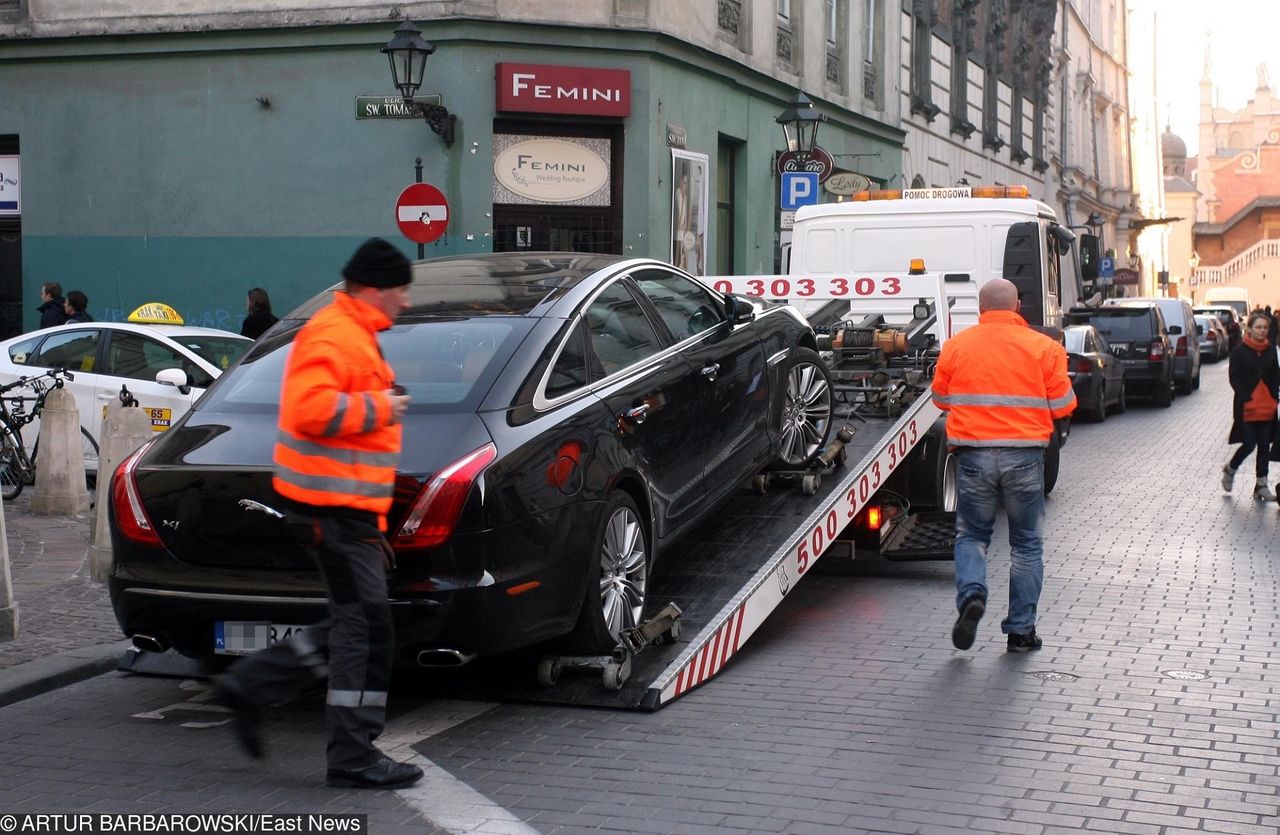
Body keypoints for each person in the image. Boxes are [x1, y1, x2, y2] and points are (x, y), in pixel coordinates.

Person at [214, 238, 420, 790]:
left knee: (362, 624)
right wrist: (385, 405)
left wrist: (372, 525)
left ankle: (254, 685)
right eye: (400, 291)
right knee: (365, 628)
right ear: (374, 289)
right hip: (331, 512)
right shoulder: (336, 333)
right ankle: (351, 755)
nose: (404, 302)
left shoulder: (354, 335)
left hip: (343, 513)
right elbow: (310, 410)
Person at [931, 278, 1076, 653]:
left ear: (981, 309)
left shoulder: (956, 346)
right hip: (1026, 458)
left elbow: (941, 398)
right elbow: (1063, 405)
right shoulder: (1045, 348)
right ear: (1016, 307)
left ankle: (972, 596)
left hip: (974, 455)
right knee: (1026, 546)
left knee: (972, 536)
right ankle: (1020, 631)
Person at [1222, 311, 1279, 501]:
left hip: (1267, 406)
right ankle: (1231, 469)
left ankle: (1261, 486)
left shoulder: (1271, 350)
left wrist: (1275, 397)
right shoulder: (1239, 351)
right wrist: (1246, 396)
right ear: (1249, 329)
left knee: (1264, 445)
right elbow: (1234, 377)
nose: (1262, 331)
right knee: (1249, 444)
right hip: (1246, 406)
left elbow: (1275, 375)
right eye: (1258, 327)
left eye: (1265, 328)